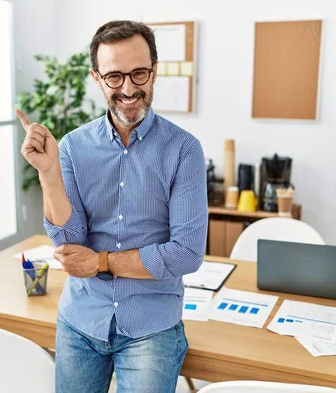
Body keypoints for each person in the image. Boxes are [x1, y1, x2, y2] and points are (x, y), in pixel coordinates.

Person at [16, 20, 208, 393]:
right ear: (96, 78)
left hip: (150, 326)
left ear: (155, 71)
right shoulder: (72, 147)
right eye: (114, 77)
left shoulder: (184, 150)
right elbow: (70, 241)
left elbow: (186, 255)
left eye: (139, 73)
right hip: (82, 319)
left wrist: (101, 262)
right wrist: (49, 174)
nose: (128, 88)